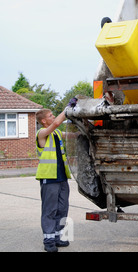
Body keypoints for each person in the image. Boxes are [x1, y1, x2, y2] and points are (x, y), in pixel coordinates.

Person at [35, 98, 76, 252]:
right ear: (44, 121)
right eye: (50, 115)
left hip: (61, 178)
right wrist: (67, 109)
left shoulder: (57, 133)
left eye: (53, 115)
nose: (53, 117)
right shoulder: (42, 134)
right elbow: (57, 123)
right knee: (49, 210)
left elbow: (71, 136)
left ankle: (58, 237)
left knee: (62, 208)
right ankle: (48, 241)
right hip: (49, 178)